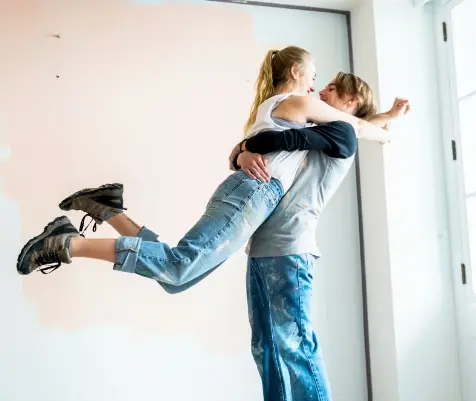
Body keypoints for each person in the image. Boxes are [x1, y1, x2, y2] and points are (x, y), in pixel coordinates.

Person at [16, 46, 389, 282]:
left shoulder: (286, 109)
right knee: (180, 267)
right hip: (256, 191)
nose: (315, 86)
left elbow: (349, 128)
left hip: (253, 192)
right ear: (295, 74)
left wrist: (384, 118)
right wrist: (388, 126)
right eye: (312, 77)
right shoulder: (297, 102)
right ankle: (66, 243)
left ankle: (107, 208)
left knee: (178, 275)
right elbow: (352, 126)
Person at [228, 74, 410, 401]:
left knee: (297, 348)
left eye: (330, 89)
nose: (319, 91)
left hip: (292, 252)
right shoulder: (320, 126)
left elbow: (274, 139)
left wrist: (244, 148)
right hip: (261, 249)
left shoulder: (338, 132)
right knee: (266, 347)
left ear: (347, 101)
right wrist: (240, 152)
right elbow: (260, 140)